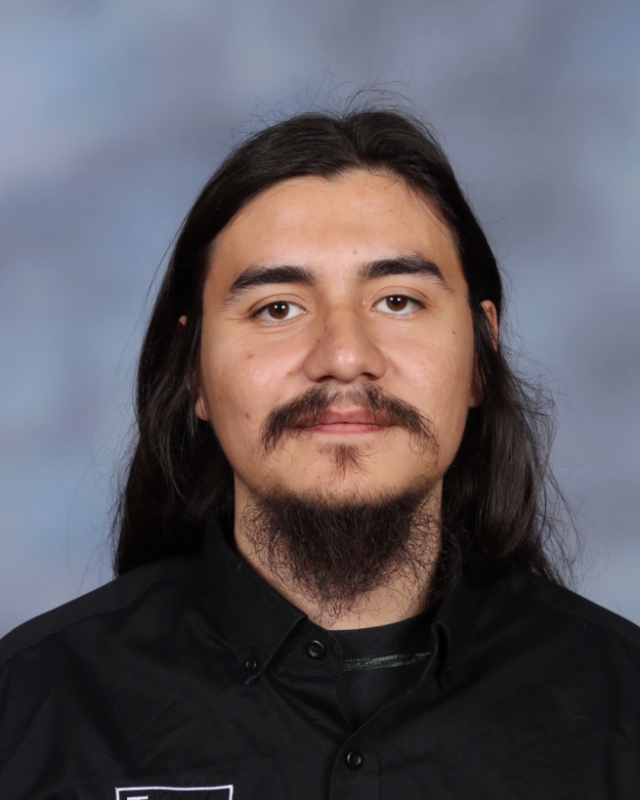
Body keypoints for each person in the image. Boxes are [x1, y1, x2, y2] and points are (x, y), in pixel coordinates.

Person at [1, 105, 638, 800]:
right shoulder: (30, 708)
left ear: (481, 356)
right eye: (278, 308)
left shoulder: (621, 706)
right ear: (194, 373)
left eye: (398, 301)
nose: (343, 356)